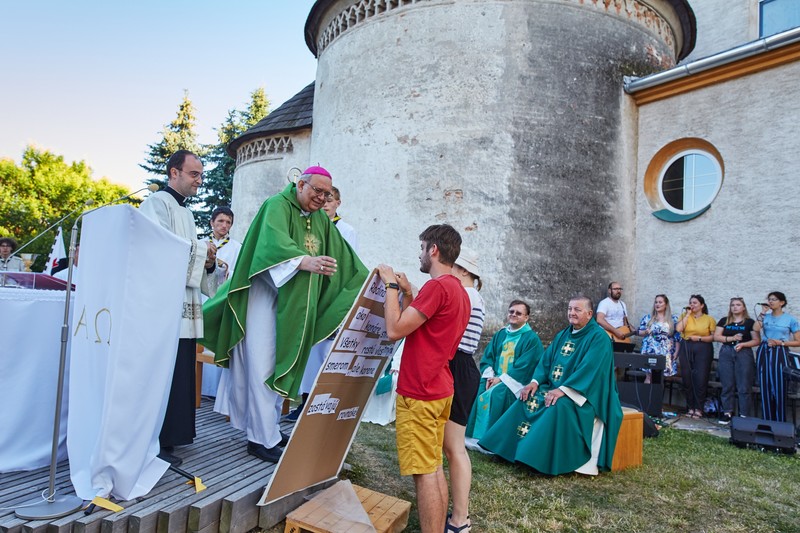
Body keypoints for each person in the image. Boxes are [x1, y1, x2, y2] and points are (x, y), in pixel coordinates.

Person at [202, 166, 367, 462]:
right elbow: (270, 247)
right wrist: (303, 261)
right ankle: (260, 438)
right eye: (317, 191)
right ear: (300, 184)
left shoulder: (319, 219)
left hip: (292, 305)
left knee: (281, 363)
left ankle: (269, 431)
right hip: (262, 298)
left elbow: (344, 257)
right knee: (264, 365)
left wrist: (371, 279)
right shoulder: (276, 205)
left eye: (327, 194)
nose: (321, 198)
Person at [377, 224, 470, 533]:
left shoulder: (437, 287)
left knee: (424, 472)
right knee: (433, 467)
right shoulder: (459, 290)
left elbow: (395, 330)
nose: (419, 254)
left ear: (433, 250)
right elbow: (426, 324)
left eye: (421, 248)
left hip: (420, 391)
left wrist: (390, 286)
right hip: (440, 387)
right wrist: (406, 293)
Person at [478, 296, 622, 476]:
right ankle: (506, 450)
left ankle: (535, 460)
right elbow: (545, 363)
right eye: (570, 309)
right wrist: (534, 382)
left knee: (556, 406)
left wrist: (563, 390)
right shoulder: (563, 334)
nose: (571, 313)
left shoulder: (599, 338)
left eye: (577, 309)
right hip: (555, 388)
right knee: (525, 398)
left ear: (589, 313)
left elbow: (591, 370)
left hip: (585, 395)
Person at [138, 150, 219, 466]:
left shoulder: (185, 213)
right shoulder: (156, 204)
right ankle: (154, 439)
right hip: (163, 310)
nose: (199, 180)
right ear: (174, 172)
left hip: (183, 308)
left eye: (201, 175)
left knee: (180, 371)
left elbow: (190, 260)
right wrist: (201, 251)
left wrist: (208, 262)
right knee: (163, 373)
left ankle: (172, 437)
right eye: (194, 174)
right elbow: (158, 250)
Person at [286, 185, 360, 421]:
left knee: (326, 353)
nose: (326, 203)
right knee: (309, 351)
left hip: (331, 296)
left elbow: (347, 264)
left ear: (338, 203)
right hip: (309, 294)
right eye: (324, 198)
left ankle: (322, 403)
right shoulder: (312, 226)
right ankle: (305, 400)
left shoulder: (346, 230)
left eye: (331, 199)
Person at [443, 246, 485, 533]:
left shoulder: (466, 295)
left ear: (464, 271)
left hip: (457, 366)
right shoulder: (474, 295)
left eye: (452, 266)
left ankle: (460, 518)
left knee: (454, 447)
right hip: (463, 366)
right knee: (452, 447)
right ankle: (457, 513)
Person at [465, 300, 544, 442]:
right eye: (511, 312)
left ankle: (491, 439)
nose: (514, 315)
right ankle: (472, 436)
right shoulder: (501, 334)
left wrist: (500, 379)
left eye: (519, 313)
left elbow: (525, 366)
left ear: (526, 318)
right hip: (495, 377)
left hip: (515, 382)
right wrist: (490, 376)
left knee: (497, 394)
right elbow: (488, 356)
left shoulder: (532, 339)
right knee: (480, 388)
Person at [753, 291, 800, 422]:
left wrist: (782, 342)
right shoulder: (765, 317)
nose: (771, 301)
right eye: (769, 299)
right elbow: (755, 328)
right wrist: (763, 312)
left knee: (779, 386)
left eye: (774, 299)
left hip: (780, 350)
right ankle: (767, 421)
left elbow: (798, 341)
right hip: (765, 350)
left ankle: (780, 422)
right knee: (765, 385)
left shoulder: (790, 319)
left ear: (782, 302)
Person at [713, 297, 759, 422]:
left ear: (743, 307)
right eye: (733, 305)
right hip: (726, 352)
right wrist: (731, 338)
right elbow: (716, 337)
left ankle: (744, 415)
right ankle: (727, 412)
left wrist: (743, 344)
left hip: (743, 352)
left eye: (738, 305)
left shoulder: (749, 322)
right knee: (727, 384)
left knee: (744, 385)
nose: (735, 307)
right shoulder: (724, 321)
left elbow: (756, 340)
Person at [675, 294, 716, 420]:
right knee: (687, 377)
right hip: (686, 346)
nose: (692, 305)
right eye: (690, 302)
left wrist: (699, 338)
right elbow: (678, 329)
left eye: (695, 303)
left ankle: (699, 408)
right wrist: (687, 315)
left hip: (703, 348)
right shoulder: (685, 316)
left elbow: (713, 337)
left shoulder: (709, 319)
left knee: (700, 377)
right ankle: (690, 407)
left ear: (702, 305)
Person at [636, 294, 681, 377]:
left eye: (660, 302)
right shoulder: (648, 318)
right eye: (656, 302)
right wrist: (646, 332)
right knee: (649, 376)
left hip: (666, 351)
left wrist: (676, 352)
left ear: (666, 305)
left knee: (661, 378)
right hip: (650, 349)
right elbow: (639, 332)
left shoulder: (673, 319)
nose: (657, 304)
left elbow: (677, 337)